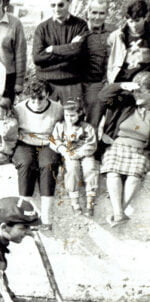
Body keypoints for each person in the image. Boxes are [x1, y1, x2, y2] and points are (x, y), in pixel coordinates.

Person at [98, 73, 150, 226]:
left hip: (140, 150)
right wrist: (121, 86)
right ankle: (119, 213)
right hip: (118, 145)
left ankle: (118, 214)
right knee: (113, 171)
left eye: (141, 91)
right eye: (135, 91)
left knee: (135, 174)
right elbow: (102, 96)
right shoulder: (126, 102)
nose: (136, 95)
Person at [12, 78, 63, 229]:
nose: (37, 103)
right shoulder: (19, 109)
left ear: (47, 94)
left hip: (48, 142)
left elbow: (61, 130)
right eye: (33, 99)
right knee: (26, 163)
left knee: (48, 165)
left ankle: (46, 218)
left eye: (41, 98)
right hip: (25, 141)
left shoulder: (57, 109)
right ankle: (25, 213)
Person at [32, 0, 88, 103]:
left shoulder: (80, 26)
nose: (56, 9)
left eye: (61, 5)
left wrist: (53, 49)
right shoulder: (42, 28)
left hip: (71, 84)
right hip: (47, 84)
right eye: (53, 5)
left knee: (72, 117)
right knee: (48, 117)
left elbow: (78, 51)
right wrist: (69, 50)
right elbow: (38, 57)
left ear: (69, 3)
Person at [49, 98, 98, 215]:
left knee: (90, 168)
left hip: (84, 154)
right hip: (68, 154)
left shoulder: (87, 127)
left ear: (79, 113)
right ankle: (75, 203)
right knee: (71, 169)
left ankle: (90, 203)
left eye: (72, 116)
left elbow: (91, 144)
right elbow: (54, 140)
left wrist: (79, 153)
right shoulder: (60, 126)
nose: (69, 119)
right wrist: (63, 150)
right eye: (66, 115)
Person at [81, 0, 112, 129]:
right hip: (74, 83)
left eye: (101, 13)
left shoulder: (112, 33)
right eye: (94, 12)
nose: (97, 17)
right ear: (88, 12)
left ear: (106, 14)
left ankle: (90, 146)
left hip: (96, 83)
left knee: (91, 122)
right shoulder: (78, 29)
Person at [105, 0, 150, 85]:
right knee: (103, 95)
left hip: (145, 84)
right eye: (131, 21)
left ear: (145, 17)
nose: (134, 25)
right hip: (122, 82)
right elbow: (107, 61)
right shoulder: (117, 36)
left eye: (137, 21)